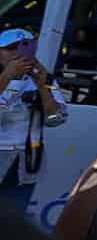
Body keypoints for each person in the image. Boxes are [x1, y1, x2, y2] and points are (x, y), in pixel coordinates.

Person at [0, 30, 68, 223]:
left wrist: (43, 88)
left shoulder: (46, 78)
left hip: (26, 162)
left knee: (12, 226)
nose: (16, 54)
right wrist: (8, 76)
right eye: (10, 48)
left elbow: (57, 119)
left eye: (25, 47)